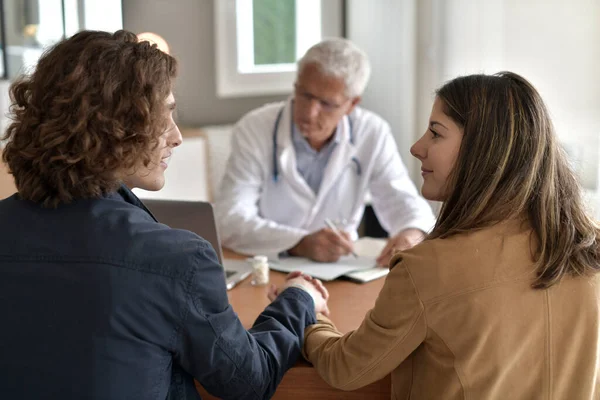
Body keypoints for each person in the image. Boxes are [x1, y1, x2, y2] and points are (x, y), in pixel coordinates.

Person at [0, 30, 329, 400]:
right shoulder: (176, 261)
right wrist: (298, 299)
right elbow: (248, 381)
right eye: (165, 115)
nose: (176, 137)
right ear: (117, 128)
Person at [294, 72, 600, 398]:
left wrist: (311, 316)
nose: (417, 147)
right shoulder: (591, 250)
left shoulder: (428, 267)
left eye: (435, 134)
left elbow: (346, 367)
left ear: (483, 150)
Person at [215, 38, 435, 265]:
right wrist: (299, 243)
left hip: (340, 269)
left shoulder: (372, 132)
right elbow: (228, 219)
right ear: (295, 85)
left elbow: (405, 203)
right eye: (305, 95)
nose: (310, 113)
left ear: (352, 104)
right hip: (270, 264)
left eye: (327, 103)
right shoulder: (255, 128)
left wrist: (412, 233)